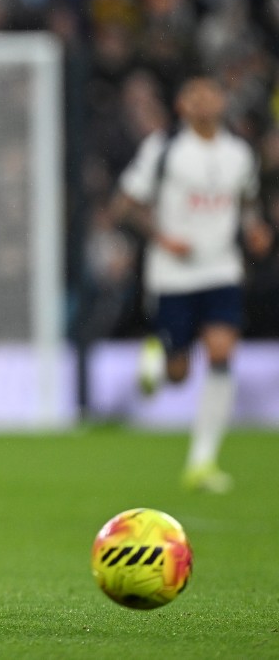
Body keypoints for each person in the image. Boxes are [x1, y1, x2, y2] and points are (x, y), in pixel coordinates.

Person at [111, 75, 271, 493]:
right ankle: (158, 354)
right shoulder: (164, 149)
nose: (203, 101)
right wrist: (162, 237)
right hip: (173, 274)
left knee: (221, 352)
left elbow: (248, 200)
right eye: (194, 94)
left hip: (221, 269)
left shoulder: (238, 153)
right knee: (179, 373)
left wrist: (255, 228)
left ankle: (203, 460)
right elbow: (126, 203)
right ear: (182, 104)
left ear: (223, 100)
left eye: (211, 93)